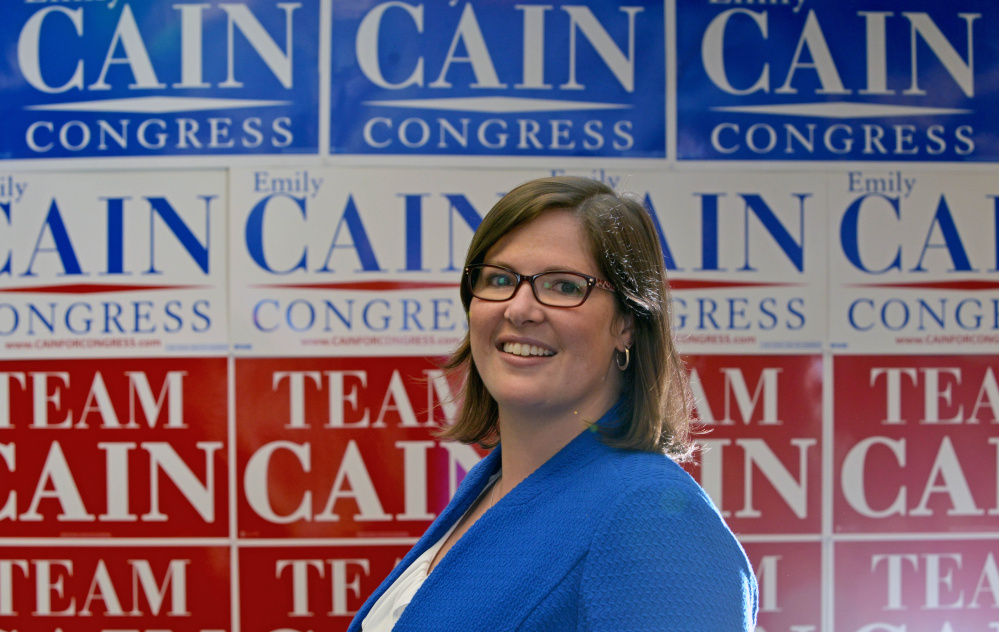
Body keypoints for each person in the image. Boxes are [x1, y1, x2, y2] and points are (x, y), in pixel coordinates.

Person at [348, 176, 758, 631]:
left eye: (564, 286)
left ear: (627, 322)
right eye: (500, 279)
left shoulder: (654, 522)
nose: (520, 308)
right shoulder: (493, 488)